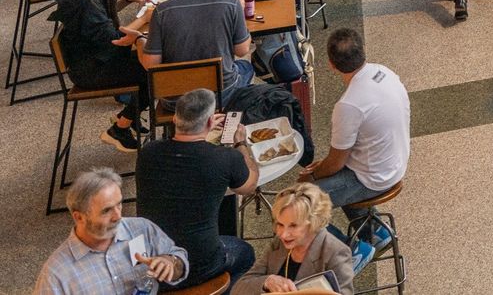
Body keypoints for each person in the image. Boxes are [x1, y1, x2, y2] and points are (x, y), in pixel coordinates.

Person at [135, 87, 257, 286]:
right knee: (244, 252)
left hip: (152, 262)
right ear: (210, 121)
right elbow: (249, 186)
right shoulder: (225, 158)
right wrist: (241, 143)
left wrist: (205, 127)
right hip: (200, 264)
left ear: (174, 119)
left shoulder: (148, 152)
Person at [304, 28, 411, 228]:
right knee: (330, 172)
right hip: (396, 162)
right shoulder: (384, 71)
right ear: (363, 50)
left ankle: (345, 251)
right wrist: (325, 167)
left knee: (300, 204)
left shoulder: (348, 106)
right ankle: (374, 232)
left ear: (331, 65)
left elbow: (336, 163)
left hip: (373, 178)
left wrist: (311, 175)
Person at [34, 168, 188, 295]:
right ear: (79, 217)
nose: (118, 216)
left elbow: (179, 260)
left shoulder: (141, 228)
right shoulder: (56, 276)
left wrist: (170, 262)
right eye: (106, 210)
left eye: (119, 204)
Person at [54, 0, 148, 152]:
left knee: (147, 61)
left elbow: (107, 11)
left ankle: (127, 116)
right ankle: (119, 128)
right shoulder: (88, 8)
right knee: (152, 73)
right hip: (91, 71)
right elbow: (119, 40)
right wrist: (144, 19)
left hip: (91, 59)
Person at [141, 0, 253, 90]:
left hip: (177, 97)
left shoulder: (161, 11)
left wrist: (139, 40)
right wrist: (241, 14)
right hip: (221, 91)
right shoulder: (231, 3)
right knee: (246, 67)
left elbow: (151, 64)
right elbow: (242, 50)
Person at [247, 182, 356, 294]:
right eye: (280, 224)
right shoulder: (279, 243)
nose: (283, 234)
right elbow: (240, 286)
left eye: (293, 226)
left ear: (314, 223)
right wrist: (267, 281)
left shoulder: (335, 252)